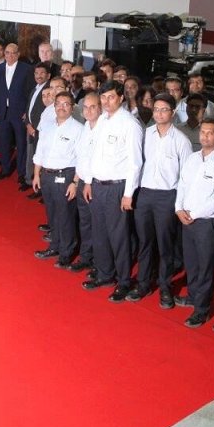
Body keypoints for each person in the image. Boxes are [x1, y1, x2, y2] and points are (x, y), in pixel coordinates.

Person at [83, 81, 144, 302]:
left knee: (119, 237)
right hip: (98, 185)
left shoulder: (130, 124)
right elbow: (94, 154)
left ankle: (124, 281)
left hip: (117, 188)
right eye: (103, 97)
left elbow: (135, 163)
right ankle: (104, 274)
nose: (107, 102)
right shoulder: (102, 120)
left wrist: (128, 194)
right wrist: (88, 181)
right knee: (100, 233)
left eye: (111, 97)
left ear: (121, 98)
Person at [130, 93, 193, 307]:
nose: (158, 113)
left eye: (164, 110)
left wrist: (179, 204)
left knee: (165, 244)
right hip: (144, 194)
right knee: (144, 242)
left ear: (172, 113)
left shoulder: (182, 141)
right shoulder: (145, 135)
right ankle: (143, 283)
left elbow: (185, 178)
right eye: (156, 109)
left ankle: (165, 286)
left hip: (167, 197)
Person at [174, 118, 214, 328]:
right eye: (203, 132)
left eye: (210, 133)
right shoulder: (192, 158)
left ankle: (202, 309)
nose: (205, 136)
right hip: (186, 218)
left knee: (206, 265)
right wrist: (178, 208)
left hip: (207, 222)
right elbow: (182, 185)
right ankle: (192, 295)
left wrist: (193, 214)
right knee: (191, 262)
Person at [32, 91, 82, 267]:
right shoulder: (47, 127)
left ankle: (67, 252)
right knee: (52, 214)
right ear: (54, 106)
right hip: (46, 175)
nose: (62, 107)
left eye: (66, 104)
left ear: (72, 107)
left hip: (65, 176)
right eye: (59, 104)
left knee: (65, 215)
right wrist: (36, 174)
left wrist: (75, 182)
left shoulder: (78, 129)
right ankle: (54, 246)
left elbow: (82, 159)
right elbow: (39, 152)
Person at [0, 43, 34, 183]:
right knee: (3, 142)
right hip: (3, 112)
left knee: (21, 144)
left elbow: (30, 92)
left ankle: (21, 173)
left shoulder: (26, 69)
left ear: (18, 54)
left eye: (13, 53)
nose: (10, 55)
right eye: (7, 52)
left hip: (19, 113)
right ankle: (5, 169)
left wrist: (27, 111)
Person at [68, 91, 101, 274]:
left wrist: (88, 182)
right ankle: (86, 257)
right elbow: (81, 158)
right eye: (85, 107)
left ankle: (99, 262)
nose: (88, 111)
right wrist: (75, 181)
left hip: (96, 184)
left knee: (98, 225)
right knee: (85, 223)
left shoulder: (104, 129)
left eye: (92, 107)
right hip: (82, 182)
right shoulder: (85, 127)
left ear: (100, 108)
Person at [23, 62, 52, 192]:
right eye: (36, 73)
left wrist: (34, 128)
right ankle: (29, 180)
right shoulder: (35, 88)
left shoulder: (48, 90)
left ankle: (39, 188)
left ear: (48, 75)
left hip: (39, 131)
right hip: (30, 128)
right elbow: (29, 108)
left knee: (39, 158)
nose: (38, 76)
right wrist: (28, 124)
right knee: (31, 156)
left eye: (42, 73)